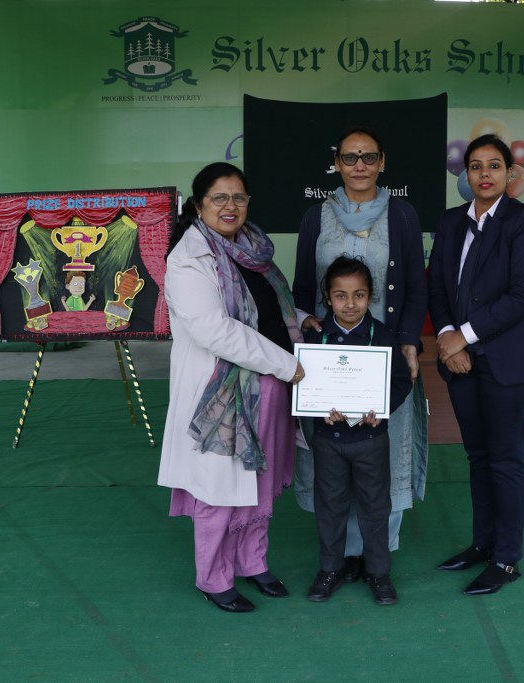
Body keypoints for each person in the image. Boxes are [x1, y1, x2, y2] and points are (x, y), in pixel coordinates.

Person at [159, 162, 307, 613]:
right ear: (198, 204)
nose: (231, 206)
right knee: (219, 489)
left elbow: (269, 310)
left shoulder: (252, 250)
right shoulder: (189, 259)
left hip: (269, 388)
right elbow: (216, 331)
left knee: (260, 482)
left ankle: (252, 561)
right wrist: (287, 364)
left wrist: (303, 322)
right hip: (222, 395)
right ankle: (214, 577)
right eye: (219, 197)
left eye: (239, 197)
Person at [293, 126, 428, 583]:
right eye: (350, 157)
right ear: (337, 163)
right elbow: (302, 287)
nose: (359, 166)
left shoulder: (402, 214)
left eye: (368, 157)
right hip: (330, 359)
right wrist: (306, 329)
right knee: (333, 449)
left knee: (382, 449)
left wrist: (407, 341)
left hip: (381, 356)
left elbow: (416, 285)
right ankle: (344, 556)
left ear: (382, 162)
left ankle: (376, 556)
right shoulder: (316, 216)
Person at [427, 134, 524, 596]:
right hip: (462, 363)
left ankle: (506, 558)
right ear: (465, 175)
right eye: (476, 166)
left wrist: (463, 335)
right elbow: (438, 287)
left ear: (510, 173)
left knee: (505, 459)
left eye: (494, 166)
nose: (485, 174)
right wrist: (449, 339)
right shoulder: (450, 222)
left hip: (512, 363)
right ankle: (482, 544)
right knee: (478, 456)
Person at [303, 256, 412, 606]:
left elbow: (401, 382)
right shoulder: (314, 337)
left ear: (370, 296)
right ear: (327, 297)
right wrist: (320, 408)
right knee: (330, 507)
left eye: (359, 295)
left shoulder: (383, 336)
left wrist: (382, 409)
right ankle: (330, 569)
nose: (350, 304)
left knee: (375, 508)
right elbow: (301, 383)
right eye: (341, 296)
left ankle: (378, 573)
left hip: (371, 440)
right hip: (328, 440)